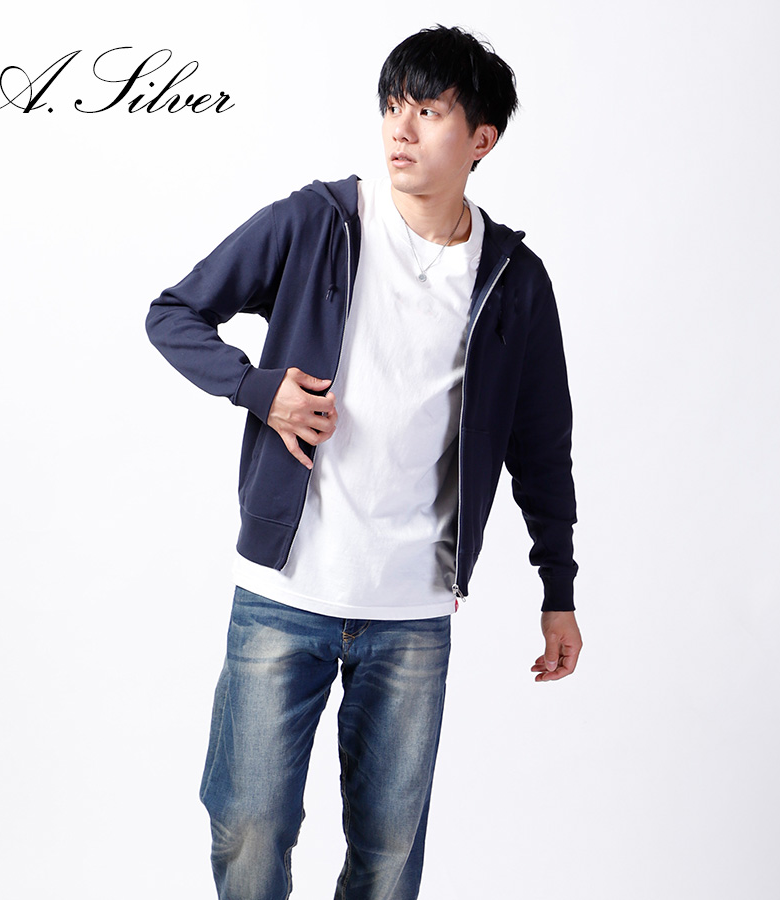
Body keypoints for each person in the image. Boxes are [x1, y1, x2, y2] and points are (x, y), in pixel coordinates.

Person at [146, 24, 582, 900]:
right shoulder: (317, 222)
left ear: (482, 139)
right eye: (392, 107)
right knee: (249, 827)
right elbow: (174, 313)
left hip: (411, 610)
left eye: (428, 112)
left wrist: (558, 588)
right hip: (285, 593)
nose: (400, 130)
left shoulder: (513, 280)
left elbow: (541, 447)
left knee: (387, 857)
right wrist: (257, 389)